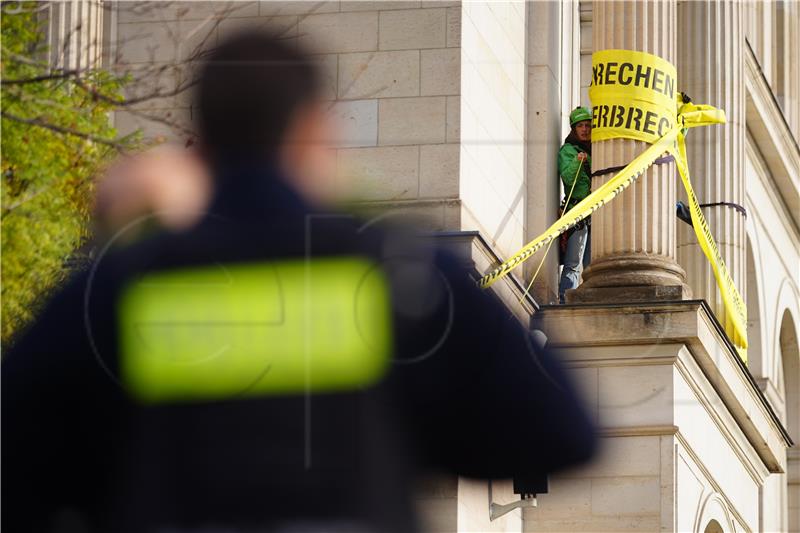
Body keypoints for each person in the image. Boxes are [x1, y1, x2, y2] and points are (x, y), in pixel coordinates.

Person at [2, 32, 596, 533]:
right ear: (317, 131)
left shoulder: (120, 287)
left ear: (199, 144)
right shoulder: (400, 275)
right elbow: (564, 433)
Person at [558, 106, 593, 304]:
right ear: (573, 128)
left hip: (595, 211)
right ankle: (565, 300)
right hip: (577, 211)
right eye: (580, 126)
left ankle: (589, 301)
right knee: (573, 263)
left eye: (588, 126)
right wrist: (578, 162)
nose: (585, 129)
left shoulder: (597, 149)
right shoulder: (568, 151)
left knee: (591, 265)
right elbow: (569, 179)